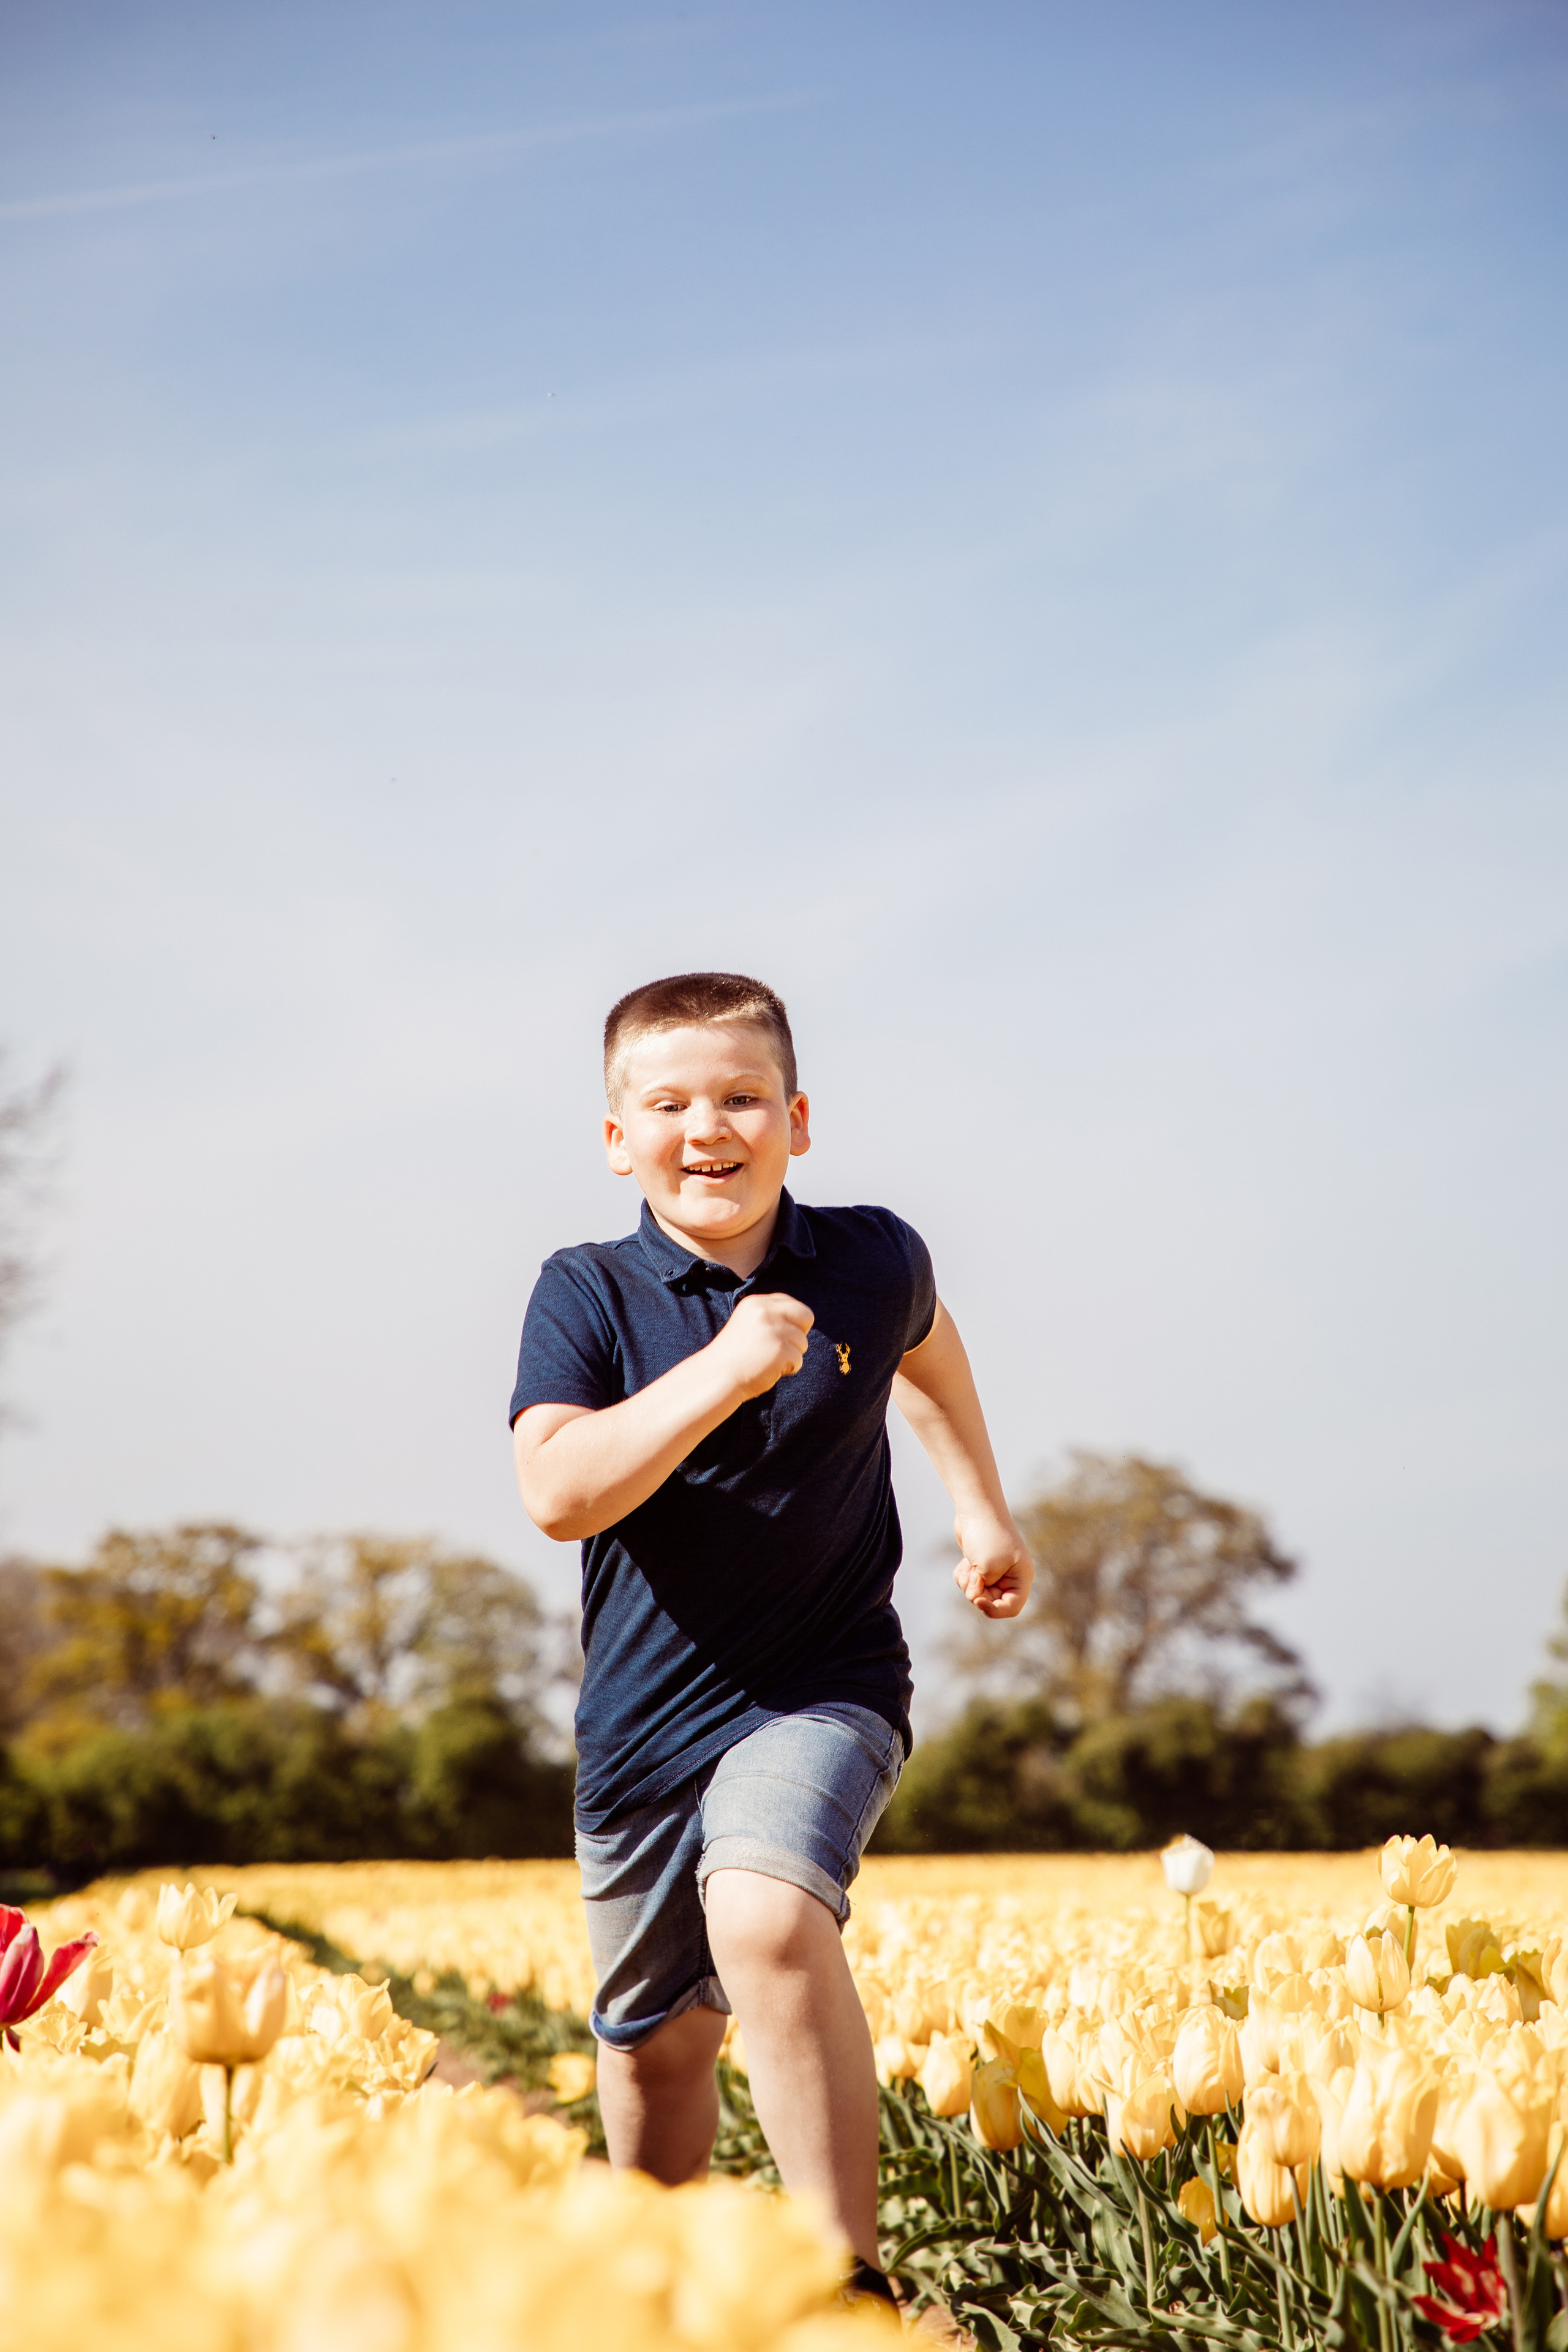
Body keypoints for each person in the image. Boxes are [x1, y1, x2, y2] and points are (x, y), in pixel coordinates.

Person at [510, 971, 1031, 2308]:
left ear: (794, 1118)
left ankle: (841, 2283)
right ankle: (643, 2283)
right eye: (669, 1102)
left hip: (824, 1685)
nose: (708, 1128)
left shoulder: (869, 1257)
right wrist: (728, 1368)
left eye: (740, 1097)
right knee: (654, 2048)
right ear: (616, 1138)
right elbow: (560, 1494)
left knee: (765, 1911)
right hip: (640, 1728)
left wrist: (980, 1507)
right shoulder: (586, 1294)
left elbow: (927, 1345)